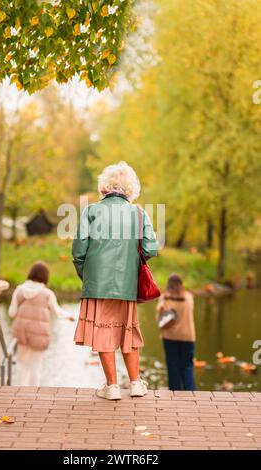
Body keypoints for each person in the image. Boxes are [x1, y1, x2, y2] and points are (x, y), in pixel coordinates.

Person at [72, 161, 158, 400]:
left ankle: (111, 387)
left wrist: (86, 274)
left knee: (103, 333)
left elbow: (79, 251)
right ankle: (136, 383)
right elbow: (151, 247)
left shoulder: (91, 211)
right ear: (130, 189)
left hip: (97, 284)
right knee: (127, 332)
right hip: (127, 284)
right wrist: (132, 262)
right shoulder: (139, 213)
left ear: (104, 187)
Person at [9, 261, 72, 386]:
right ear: (45, 277)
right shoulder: (47, 294)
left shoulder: (19, 290)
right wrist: (69, 316)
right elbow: (58, 312)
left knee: (22, 366)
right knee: (36, 368)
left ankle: (20, 395)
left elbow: (11, 313)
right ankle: (34, 397)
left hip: (22, 333)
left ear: (31, 274)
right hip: (39, 335)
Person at [156, 273, 196, 391]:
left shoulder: (164, 298)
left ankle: (174, 392)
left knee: (172, 366)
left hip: (169, 337)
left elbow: (159, 318)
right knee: (188, 366)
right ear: (181, 284)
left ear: (168, 285)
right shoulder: (188, 297)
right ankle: (190, 391)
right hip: (188, 336)